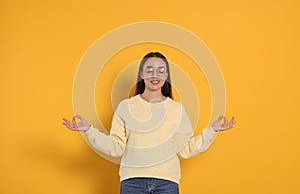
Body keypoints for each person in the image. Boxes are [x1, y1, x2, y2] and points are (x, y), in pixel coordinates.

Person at [62, 52, 236, 194]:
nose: (155, 75)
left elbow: (186, 148)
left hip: (167, 183)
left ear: (167, 76)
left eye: (161, 70)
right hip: (132, 182)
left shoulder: (177, 109)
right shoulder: (126, 107)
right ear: (142, 74)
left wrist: (213, 130)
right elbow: (116, 147)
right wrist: (88, 130)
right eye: (150, 69)